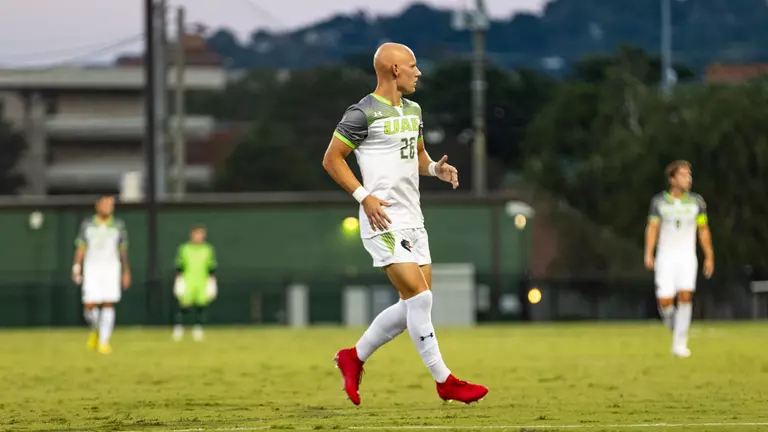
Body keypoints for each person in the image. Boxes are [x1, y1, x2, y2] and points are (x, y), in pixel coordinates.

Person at [322, 42, 488, 405]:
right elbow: (332, 159)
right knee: (421, 297)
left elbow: (417, 155)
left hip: (413, 217)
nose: (419, 72)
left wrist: (435, 169)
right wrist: (363, 197)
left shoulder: (414, 109)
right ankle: (445, 380)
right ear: (395, 69)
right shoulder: (361, 112)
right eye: (413, 65)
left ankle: (353, 357)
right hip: (381, 217)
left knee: (415, 303)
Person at [644, 160, 714, 358]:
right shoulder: (659, 202)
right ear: (672, 179)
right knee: (665, 301)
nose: (688, 178)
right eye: (683, 175)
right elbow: (653, 228)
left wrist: (709, 255)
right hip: (666, 257)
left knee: (685, 296)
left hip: (687, 257)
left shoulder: (696, 202)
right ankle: (677, 329)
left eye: (689, 175)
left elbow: (703, 230)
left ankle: (680, 344)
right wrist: (648, 253)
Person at [72, 195, 131, 355]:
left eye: (111, 204)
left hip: (111, 268)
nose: (108, 207)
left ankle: (104, 341)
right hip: (92, 268)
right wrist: (77, 266)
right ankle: (96, 329)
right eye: (105, 204)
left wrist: (126, 271)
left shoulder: (118, 225)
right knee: (89, 305)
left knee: (108, 303)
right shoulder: (88, 224)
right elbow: (81, 247)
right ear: (97, 206)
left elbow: (123, 249)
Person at [172, 225, 217, 342]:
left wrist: (211, 281)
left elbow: (211, 266)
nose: (199, 237)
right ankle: (178, 327)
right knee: (184, 306)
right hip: (188, 280)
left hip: (202, 280)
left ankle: (198, 328)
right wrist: (179, 280)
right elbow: (179, 265)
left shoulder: (208, 249)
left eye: (201, 235)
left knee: (201, 305)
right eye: (196, 234)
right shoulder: (185, 249)